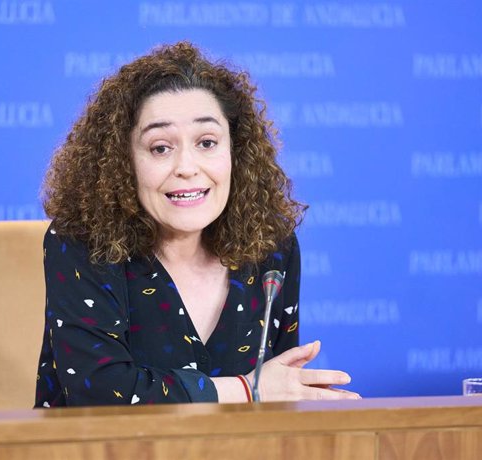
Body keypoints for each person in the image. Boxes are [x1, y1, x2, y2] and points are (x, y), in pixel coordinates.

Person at [34, 41, 359, 407]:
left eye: (207, 142)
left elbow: (278, 392)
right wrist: (246, 389)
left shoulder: (270, 245)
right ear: (123, 161)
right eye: (160, 148)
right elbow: (100, 391)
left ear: (235, 152)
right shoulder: (82, 241)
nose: (187, 167)